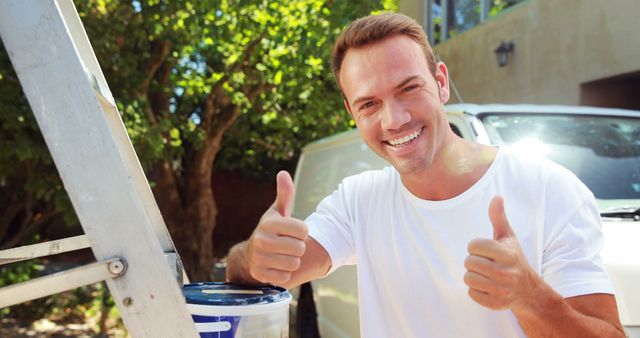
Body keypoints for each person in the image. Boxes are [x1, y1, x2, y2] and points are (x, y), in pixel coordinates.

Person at [226, 13, 625, 338]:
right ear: (352, 112)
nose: (394, 120)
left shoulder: (550, 190)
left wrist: (531, 296)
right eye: (369, 104)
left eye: (408, 89)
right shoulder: (358, 201)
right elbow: (264, 272)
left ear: (441, 82)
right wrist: (251, 257)